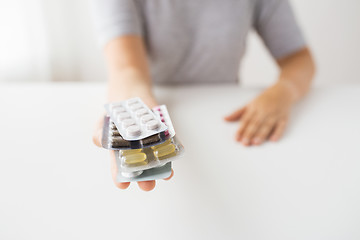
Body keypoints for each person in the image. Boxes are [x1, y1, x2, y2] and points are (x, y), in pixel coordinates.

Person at [91, 0, 316, 191]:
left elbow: (300, 60)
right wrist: (132, 102)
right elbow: (127, 68)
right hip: (161, 102)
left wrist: (282, 92)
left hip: (228, 125)